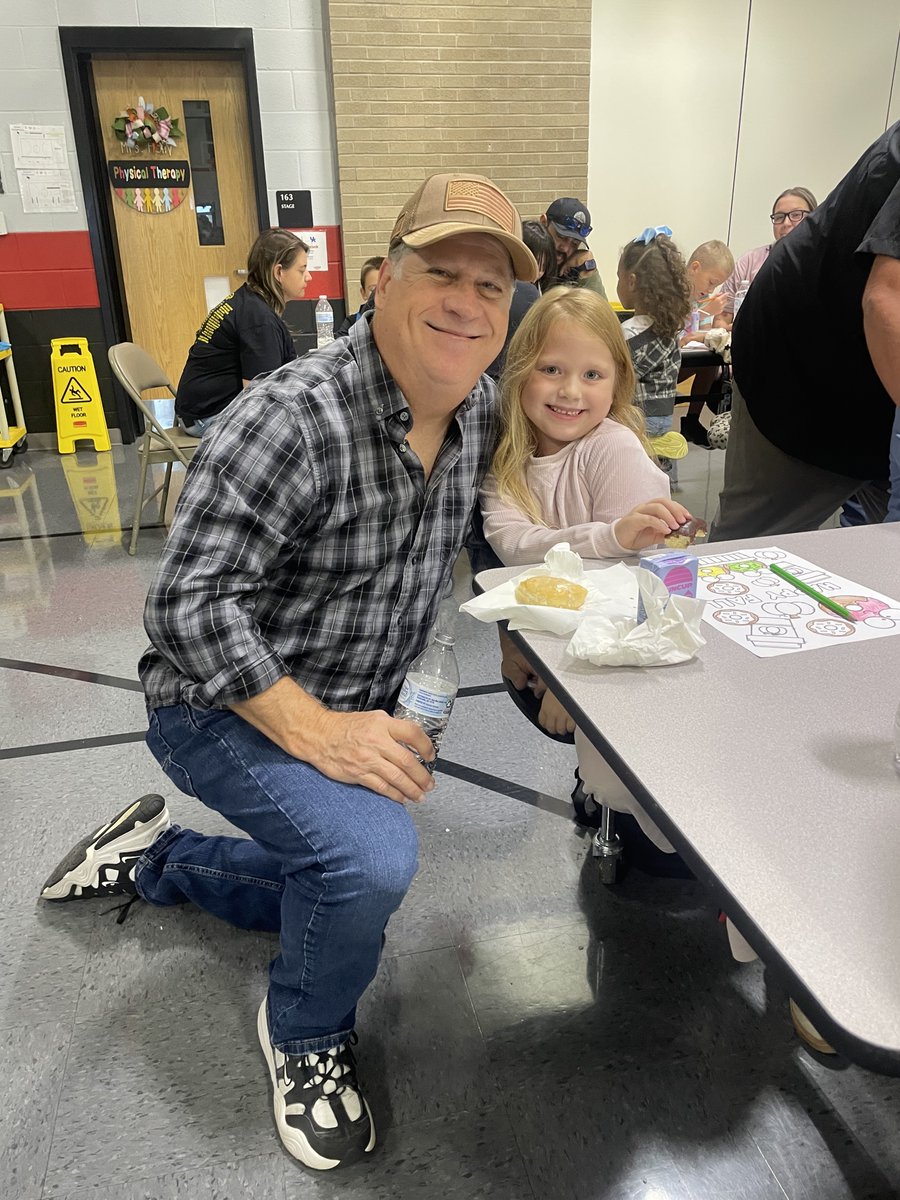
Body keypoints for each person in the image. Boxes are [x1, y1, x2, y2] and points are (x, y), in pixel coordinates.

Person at [39, 171, 538, 1172]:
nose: (466, 302)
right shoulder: (294, 416)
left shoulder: (480, 412)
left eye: (491, 286)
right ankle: (305, 1032)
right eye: (441, 271)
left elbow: (495, 541)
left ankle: (156, 860)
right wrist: (323, 733)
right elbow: (184, 609)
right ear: (382, 280)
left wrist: (534, 646)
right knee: (369, 862)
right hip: (213, 702)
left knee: (344, 875)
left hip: (353, 691)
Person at [479, 286, 693, 854]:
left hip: (623, 663)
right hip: (561, 651)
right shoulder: (508, 458)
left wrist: (574, 683)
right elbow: (513, 544)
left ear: (618, 383)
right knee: (608, 782)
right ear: (521, 371)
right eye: (552, 369)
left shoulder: (615, 449)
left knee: (651, 809)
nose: (570, 391)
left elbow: (642, 596)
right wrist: (607, 537)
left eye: (592, 375)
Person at [711, 127, 898, 541]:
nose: (785, 222)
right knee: (746, 549)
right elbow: (886, 300)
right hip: (802, 371)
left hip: (866, 382)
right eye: (780, 215)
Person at [175, 228, 311, 435]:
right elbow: (259, 396)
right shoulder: (258, 318)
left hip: (199, 410)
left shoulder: (250, 302)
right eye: (302, 270)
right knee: (304, 429)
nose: (308, 277)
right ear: (278, 272)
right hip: (207, 417)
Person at [615, 227, 692, 485]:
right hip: (662, 419)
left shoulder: (632, 334)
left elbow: (616, 379)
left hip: (639, 422)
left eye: (618, 277)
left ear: (632, 281)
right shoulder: (666, 327)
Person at [713, 187, 818, 330]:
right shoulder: (749, 262)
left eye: (796, 215)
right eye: (779, 217)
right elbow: (722, 317)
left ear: (814, 218)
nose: (786, 223)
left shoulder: (822, 265)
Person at [540, 197, 608, 298]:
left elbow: (602, 313)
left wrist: (588, 271)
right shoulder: (520, 257)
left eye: (575, 243)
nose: (566, 249)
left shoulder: (573, 271)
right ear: (543, 222)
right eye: (561, 237)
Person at [335, 255, 384, 336]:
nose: (378, 294)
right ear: (363, 293)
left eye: (385, 288)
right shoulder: (351, 323)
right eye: (372, 290)